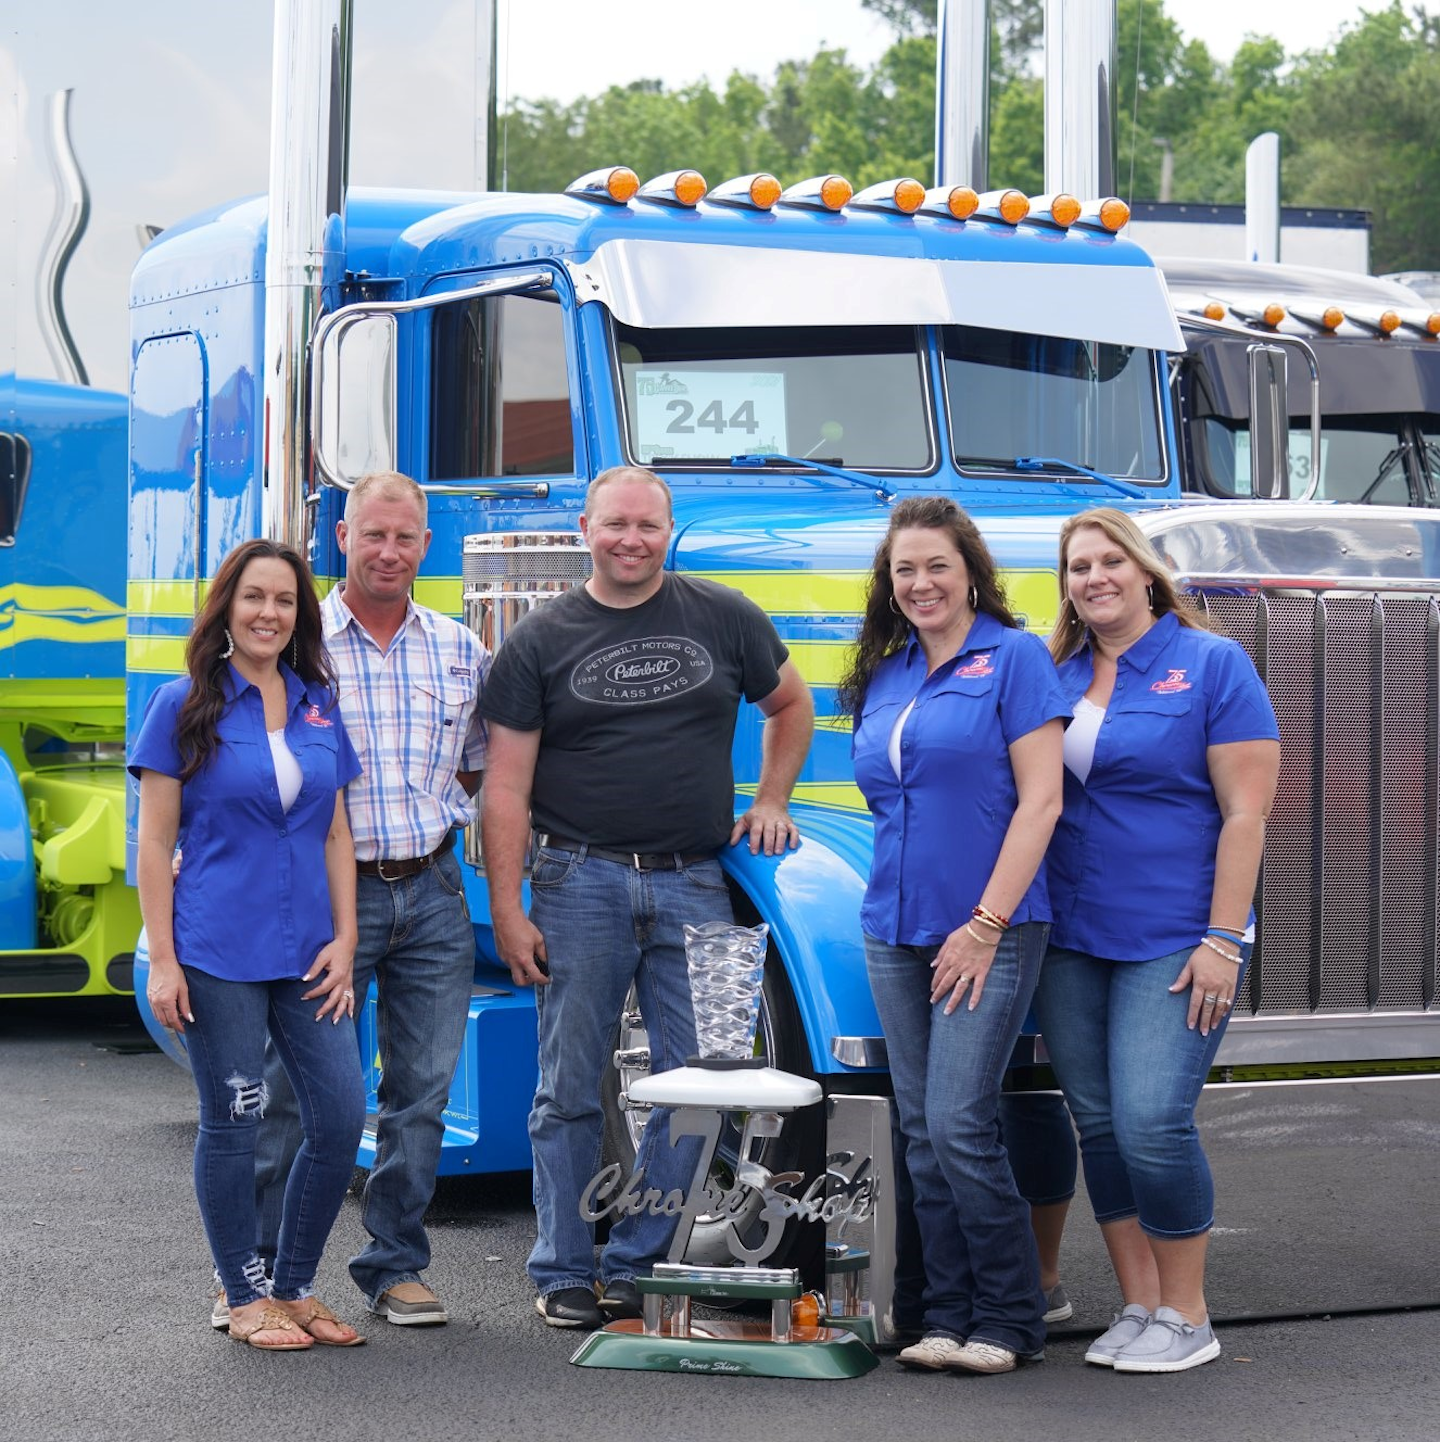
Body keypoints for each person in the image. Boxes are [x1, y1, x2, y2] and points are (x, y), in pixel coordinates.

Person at [481, 464, 815, 1329]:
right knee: (568, 1089)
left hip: (692, 881)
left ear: (670, 533)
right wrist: (509, 907)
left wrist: (771, 798)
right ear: (585, 529)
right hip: (575, 879)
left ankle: (636, 1261)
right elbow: (506, 788)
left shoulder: (725, 616)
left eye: (649, 526)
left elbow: (791, 704)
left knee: (700, 1086)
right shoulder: (538, 641)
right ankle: (561, 1267)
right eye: (615, 524)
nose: (631, 540)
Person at [1033, 507, 1280, 1373]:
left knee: (1152, 1121)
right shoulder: (1053, 670)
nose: (1093, 578)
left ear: (1145, 571)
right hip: (1068, 932)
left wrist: (1224, 937)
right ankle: (1140, 1304)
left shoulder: (1213, 664)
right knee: (1097, 1121)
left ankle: (1190, 1312)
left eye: (1109, 561)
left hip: (1175, 934)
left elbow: (1246, 815)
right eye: (1076, 566)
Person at [251, 470, 490, 1328]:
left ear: (427, 546)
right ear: (342, 538)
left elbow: (477, 765)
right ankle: (260, 1278)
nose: (390, 552)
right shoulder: (296, 642)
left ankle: (393, 1266)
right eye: (373, 535)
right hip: (321, 898)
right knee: (299, 1092)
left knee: (420, 1092)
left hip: (431, 888)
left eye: (406, 538)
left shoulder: (461, 649)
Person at [838, 496, 1070, 1376]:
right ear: (889, 585)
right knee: (923, 1131)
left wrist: (984, 924)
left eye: (937, 565)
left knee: (961, 1121)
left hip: (990, 928)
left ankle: (1010, 1318)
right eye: (905, 569)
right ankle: (941, 1314)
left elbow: (1041, 801)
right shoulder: (885, 671)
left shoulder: (1013, 660)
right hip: (893, 928)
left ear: (970, 570)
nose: (922, 582)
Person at [134, 539, 367, 1351]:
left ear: (300, 615)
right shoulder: (183, 704)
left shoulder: (317, 703)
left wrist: (347, 938)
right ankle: (243, 1293)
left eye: (285, 601)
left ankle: (295, 1286)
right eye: (255, 598)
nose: (270, 613)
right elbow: (154, 842)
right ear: (227, 608)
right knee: (234, 1122)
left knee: (340, 1117)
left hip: (308, 952)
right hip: (216, 949)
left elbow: (336, 831)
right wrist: (163, 960)